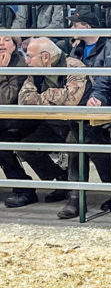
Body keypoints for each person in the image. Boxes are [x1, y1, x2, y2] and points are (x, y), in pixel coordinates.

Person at [55, 9, 111, 219]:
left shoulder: (110, 48)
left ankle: (76, 198)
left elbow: (110, 80)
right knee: (80, 136)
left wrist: (100, 98)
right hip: (83, 109)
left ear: (87, 26)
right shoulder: (75, 50)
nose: (71, 29)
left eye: (75, 24)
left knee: (81, 139)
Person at [0, 37, 86, 208]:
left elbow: (71, 100)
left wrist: (42, 96)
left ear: (45, 57)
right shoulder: (35, 69)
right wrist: (54, 95)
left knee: (77, 147)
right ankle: (59, 179)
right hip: (48, 122)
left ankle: (76, 197)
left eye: (30, 56)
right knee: (25, 147)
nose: (27, 60)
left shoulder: (72, 66)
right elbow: (24, 100)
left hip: (75, 123)